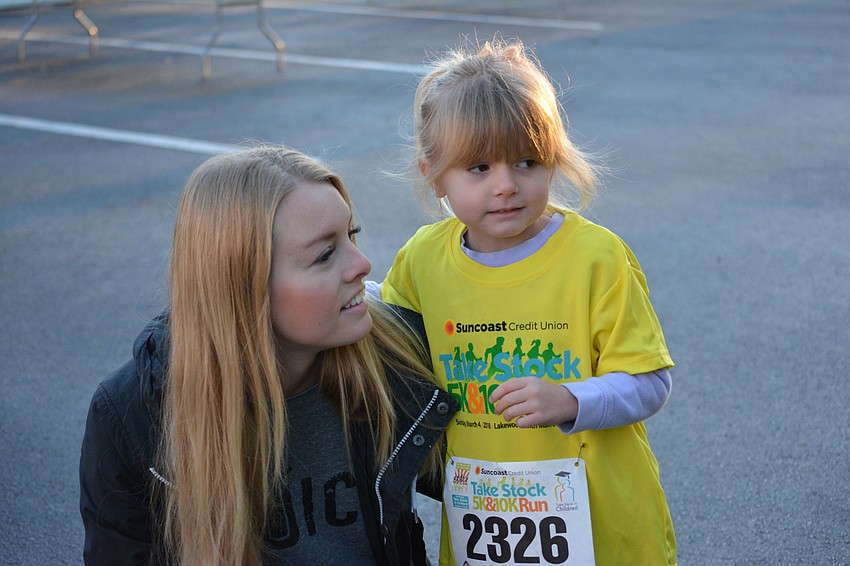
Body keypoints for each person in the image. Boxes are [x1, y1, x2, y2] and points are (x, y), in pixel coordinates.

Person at [79, 146, 457, 566]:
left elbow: (497, 481)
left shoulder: (394, 355)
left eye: (352, 234)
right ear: (245, 289)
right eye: (325, 254)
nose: (362, 264)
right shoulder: (135, 416)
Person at [380, 39, 677, 565]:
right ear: (432, 171)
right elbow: (389, 362)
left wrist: (572, 399)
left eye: (526, 161)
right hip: (483, 529)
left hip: (605, 529)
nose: (506, 186)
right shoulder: (421, 262)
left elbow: (651, 382)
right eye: (478, 168)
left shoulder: (595, 258)